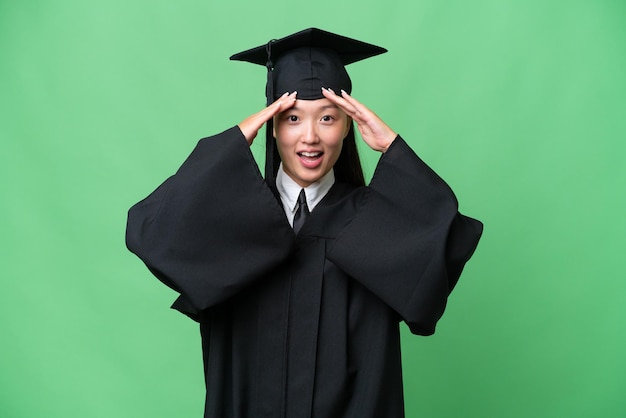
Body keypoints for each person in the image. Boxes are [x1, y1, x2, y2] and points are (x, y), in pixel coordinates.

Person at [126, 28, 483, 418]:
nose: (310, 137)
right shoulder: (228, 222)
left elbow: (447, 239)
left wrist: (392, 147)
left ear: (348, 126)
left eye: (328, 118)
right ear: (273, 126)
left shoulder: (376, 219)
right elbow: (152, 231)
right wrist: (234, 143)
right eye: (292, 118)